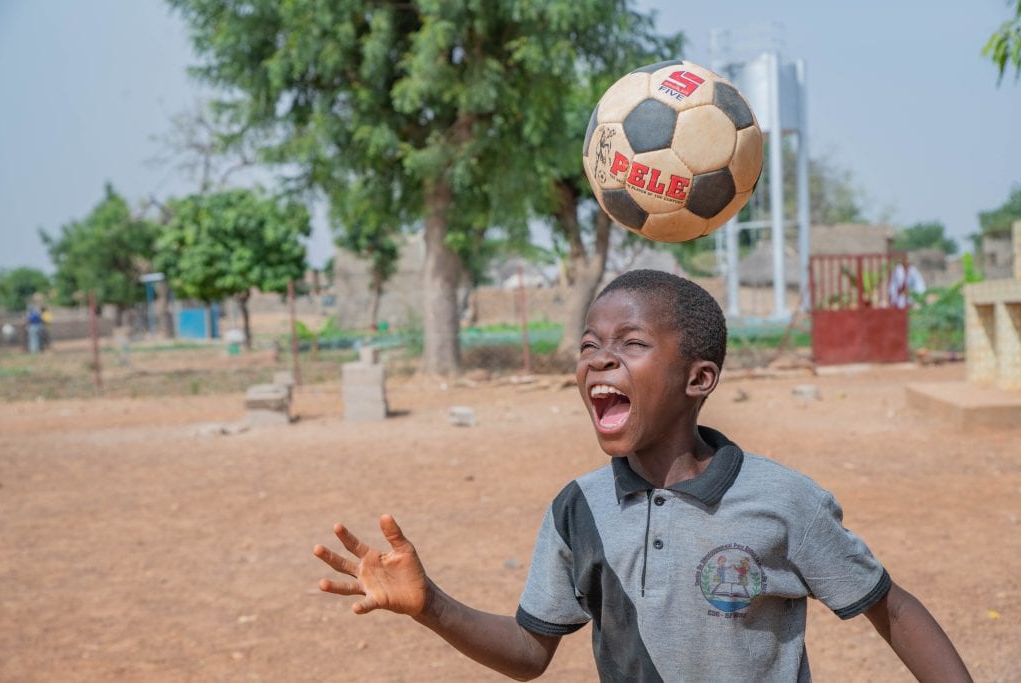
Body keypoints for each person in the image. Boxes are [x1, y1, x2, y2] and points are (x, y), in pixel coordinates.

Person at [314, 270, 971, 682]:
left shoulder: (780, 499)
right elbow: (528, 652)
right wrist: (433, 605)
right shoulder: (579, 507)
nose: (600, 360)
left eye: (630, 344)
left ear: (699, 378)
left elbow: (893, 606)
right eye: (589, 345)